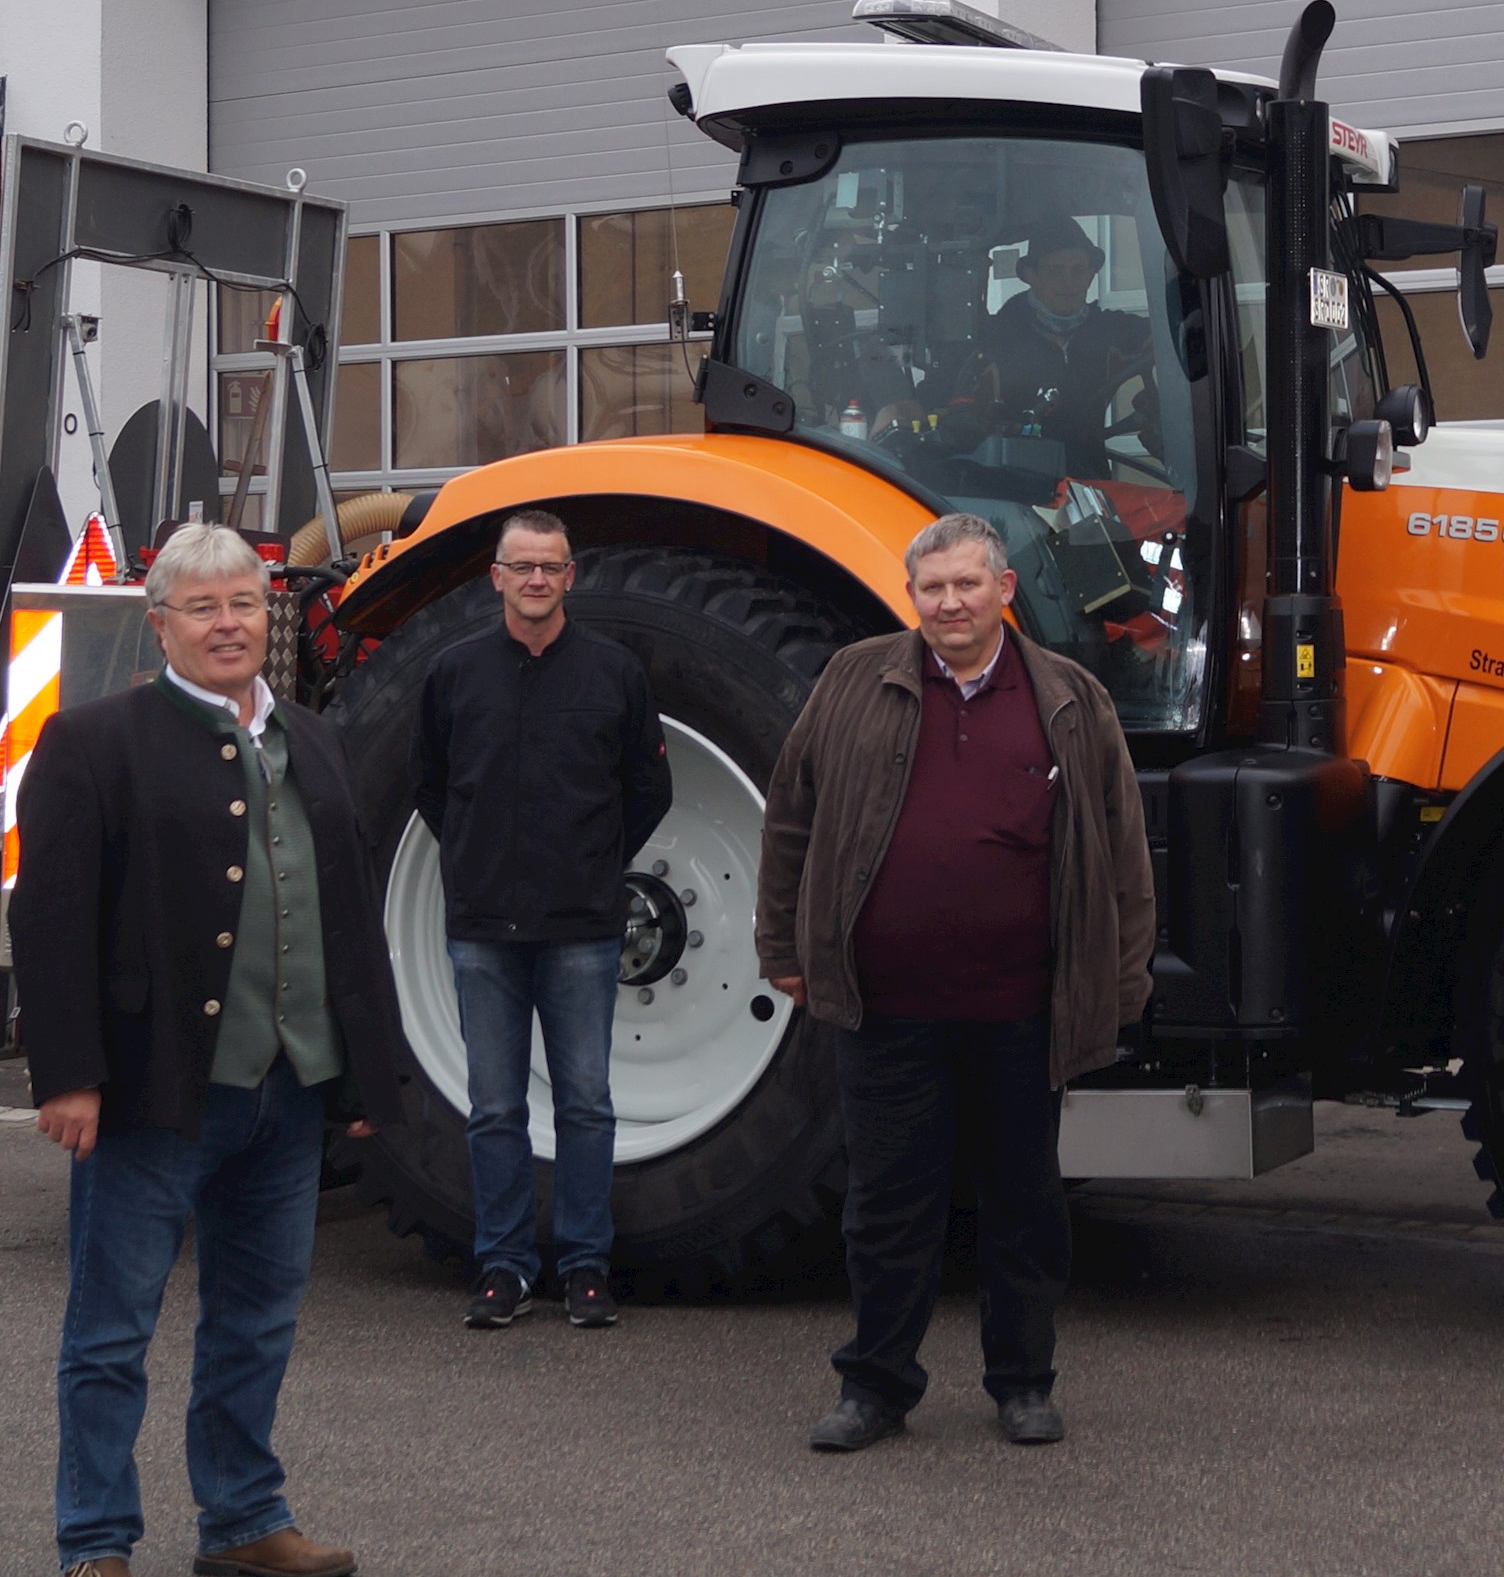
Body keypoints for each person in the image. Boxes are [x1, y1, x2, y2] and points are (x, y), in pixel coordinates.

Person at [15, 522, 398, 1577]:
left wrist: (360, 1083)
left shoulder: (315, 741)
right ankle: (93, 1545)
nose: (230, 624)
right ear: (160, 624)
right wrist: (70, 1076)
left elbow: (350, 923)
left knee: (256, 1319)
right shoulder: (93, 742)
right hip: (153, 1092)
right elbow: (50, 924)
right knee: (110, 1330)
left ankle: (240, 1516)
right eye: (204, 608)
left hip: (288, 1091)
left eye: (245, 604)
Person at [755, 510, 1154, 1452]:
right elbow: (790, 819)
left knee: (1023, 1205)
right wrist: (783, 946)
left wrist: (1122, 978)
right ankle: (875, 1388)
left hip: (1022, 1010)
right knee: (886, 1207)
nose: (949, 603)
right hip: (886, 1009)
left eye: (967, 584)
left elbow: (1122, 849)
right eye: (931, 588)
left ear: (1004, 591)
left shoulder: (1070, 697)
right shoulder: (856, 680)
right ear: (911, 597)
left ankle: (1023, 1382)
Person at [413, 506, 670, 1330]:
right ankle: (504, 1266)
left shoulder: (614, 672)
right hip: (483, 928)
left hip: (582, 931)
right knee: (493, 1106)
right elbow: (432, 788)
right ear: (496, 577)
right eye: (520, 565)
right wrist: (480, 858)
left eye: (549, 566)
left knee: (587, 1103)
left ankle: (587, 1267)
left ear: (570, 576)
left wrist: (593, 863)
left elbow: (648, 790)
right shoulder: (454, 674)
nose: (534, 579)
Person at [979, 220, 1151, 481]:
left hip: (1091, 483)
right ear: (1030, 275)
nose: (1069, 282)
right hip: (1012, 485)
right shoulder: (994, 337)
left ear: (1092, 275)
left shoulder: (1112, 331)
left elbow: (1184, 336)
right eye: (1056, 271)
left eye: (1078, 270)